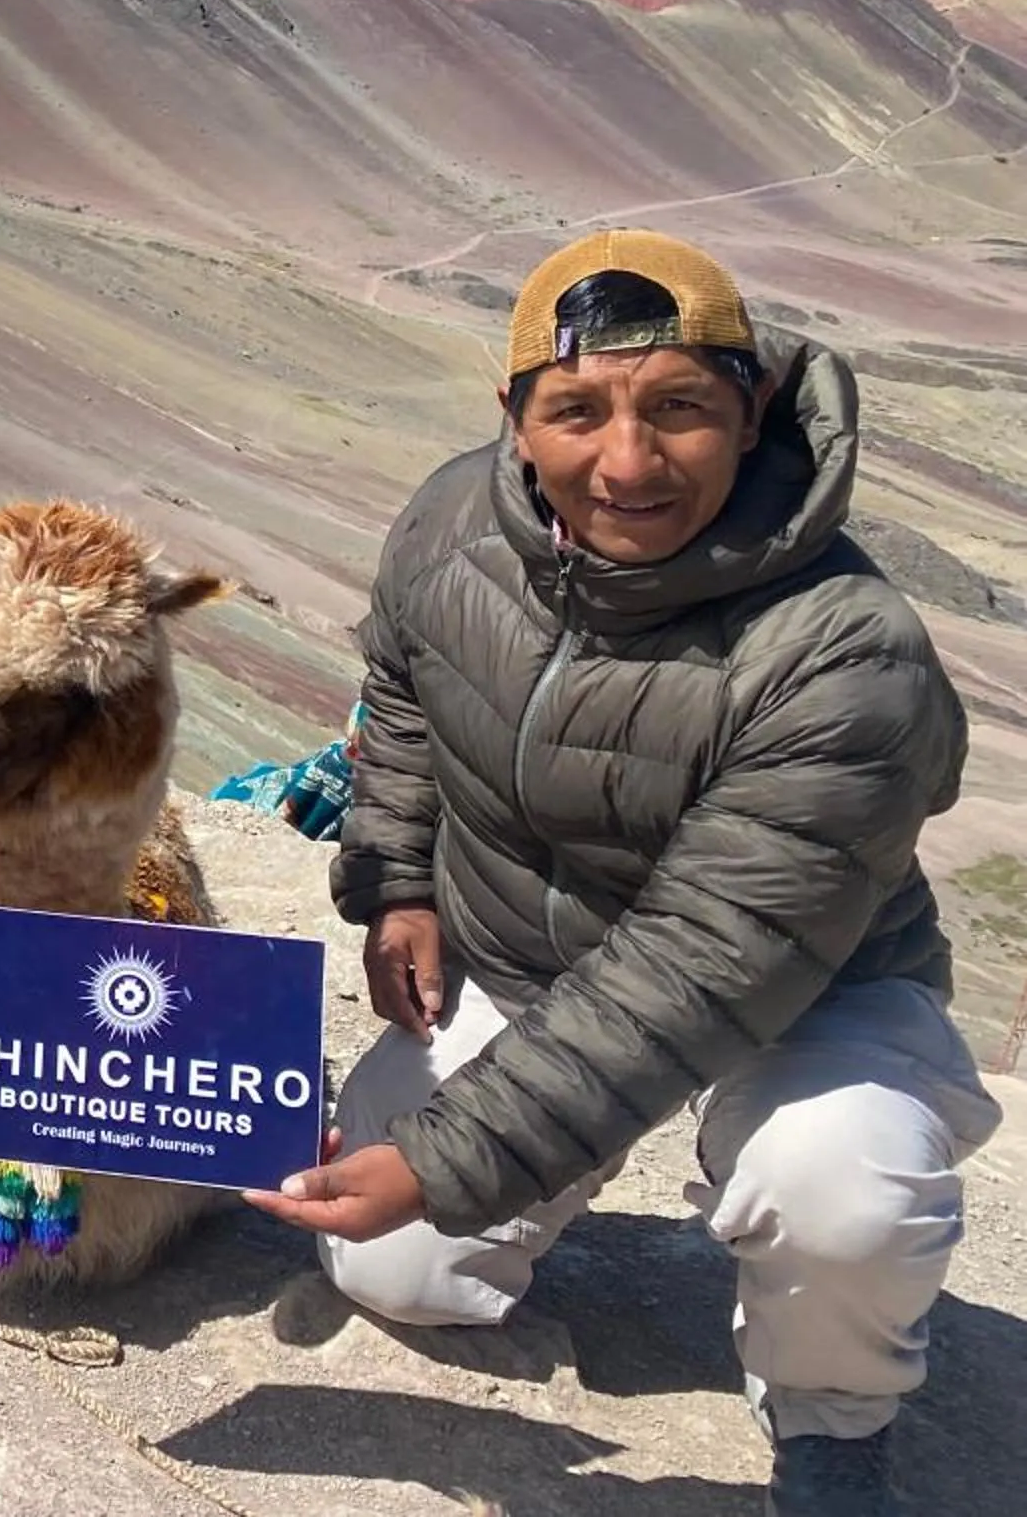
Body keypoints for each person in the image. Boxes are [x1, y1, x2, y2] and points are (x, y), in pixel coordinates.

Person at [248, 232, 1001, 1516]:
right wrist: (399, 883)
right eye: (578, 411)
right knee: (398, 1277)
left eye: (681, 410)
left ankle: (831, 1418)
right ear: (515, 420)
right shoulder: (451, 523)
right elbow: (403, 701)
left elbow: (708, 962)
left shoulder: (846, 656)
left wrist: (456, 1153)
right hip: (533, 970)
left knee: (840, 1192)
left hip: (803, 998)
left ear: (751, 406)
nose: (629, 463)